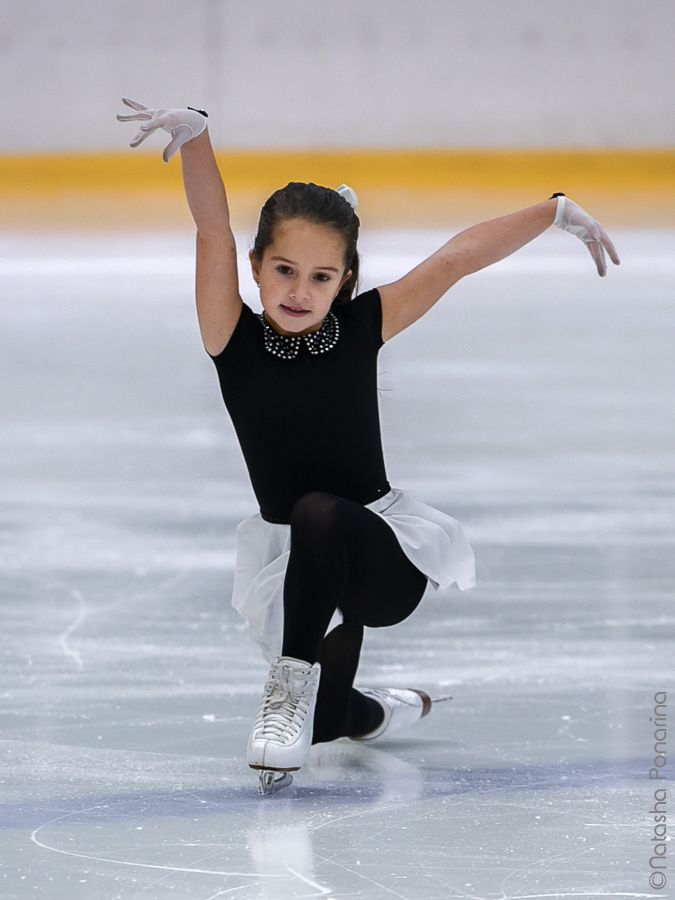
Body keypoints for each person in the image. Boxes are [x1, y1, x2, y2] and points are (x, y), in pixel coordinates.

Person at [117, 99, 620, 793]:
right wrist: (198, 137)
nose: (299, 290)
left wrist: (554, 210)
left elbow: (451, 262)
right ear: (257, 265)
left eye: (321, 277)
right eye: (284, 270)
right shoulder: (229, 339)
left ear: (345, 280)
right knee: (327, 724)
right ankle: (377, 710)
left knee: (321, 510)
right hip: (298, 572)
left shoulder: (361, 327)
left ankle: (284, 692)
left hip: (382, 560)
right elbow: (210, 230)